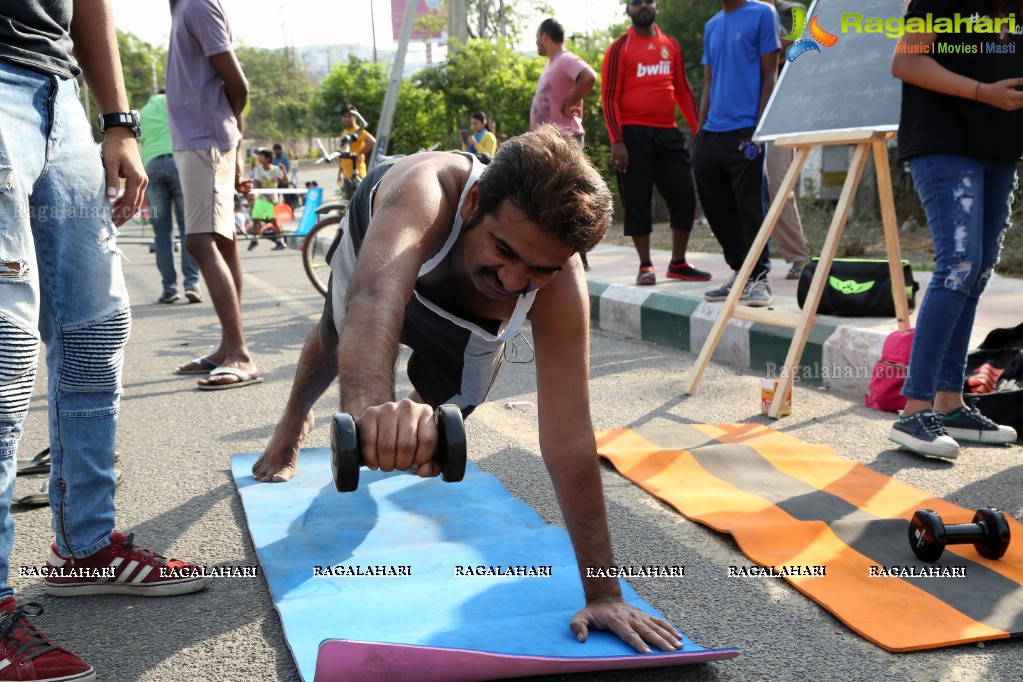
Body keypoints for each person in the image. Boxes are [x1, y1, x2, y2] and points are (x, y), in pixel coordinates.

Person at [250, 125, 683, 654]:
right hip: (379, 249)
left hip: (464, 314)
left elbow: (569, 434)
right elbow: (376, 298)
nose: (510, 279)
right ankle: (295, 419)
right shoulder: (426, 190)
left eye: (537, 270)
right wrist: (368, 413)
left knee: (449, 415)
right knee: (338, 332)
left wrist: (604, 592)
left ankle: (404, 422)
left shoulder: (560, 282)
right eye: (503, 250)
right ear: (475, 202)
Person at [0, 2, 214, 679]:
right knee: (6, 349)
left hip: (58, 92)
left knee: (96, 333)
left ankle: (87, 545)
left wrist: (117, 118)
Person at [887, 0, 1021, 459]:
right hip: (946, 142)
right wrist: (985, 92)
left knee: (977, 271)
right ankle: (914, 408)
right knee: (958, 266)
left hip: (1000, 148)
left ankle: (949, 402)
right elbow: (906, 60)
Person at [168, 0, 263, 390]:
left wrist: (227, 134)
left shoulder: (197, 4)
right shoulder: (181, 7)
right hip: (200, 139)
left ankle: (240, 353)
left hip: (205, 139)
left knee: (199, 240)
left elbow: (237, 85)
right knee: (223, 241)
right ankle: (228, 347)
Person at [601, 0, 710, 286]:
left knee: (684, 195)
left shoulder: (670, 44)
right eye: (636, 3)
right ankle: (645, 265)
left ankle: (678, 263)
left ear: (656, 6)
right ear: (628, 10)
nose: (642, 7)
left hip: (668, 132)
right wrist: (617, 141)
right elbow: (609, 96)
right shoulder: (619, 47)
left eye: (647, 1)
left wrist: (700, 130)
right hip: (633, 135)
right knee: (638, 201)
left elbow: (683, 89)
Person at [694, 0, 780, 308]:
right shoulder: (712, 25)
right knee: (716, 207)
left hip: (746, 130)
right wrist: (700, 132)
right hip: (712, 132)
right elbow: (709, 81)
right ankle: (741, 271)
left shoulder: (762, 14)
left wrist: (758, 130)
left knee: (750, 208)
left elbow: (770, 75)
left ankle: (759, 278)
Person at [531, 17, 597, 269]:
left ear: (545, 35)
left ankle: (580, 258)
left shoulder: (565, 59)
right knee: (551, 199)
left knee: (570, 197)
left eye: (537, 37)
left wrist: (570, 102)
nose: (536, 42)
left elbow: (588, 77)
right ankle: (562, 254)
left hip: (566, 139)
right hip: (550, 143)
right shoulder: (551, 64)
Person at [139, 88, 203, 303]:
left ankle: (169, 289)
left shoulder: (144, 111)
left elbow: (140, 140)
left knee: (162, 234)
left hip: (152, 168)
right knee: (188, 228)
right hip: (179, 163)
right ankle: (192, 284)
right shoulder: (177, 103)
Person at [762, 0, 810, 281]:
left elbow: (794, 48)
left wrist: (767, 17)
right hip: (749, 110)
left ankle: (799, 257)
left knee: (778, 185)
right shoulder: (743, 13)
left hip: (784, 109)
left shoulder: (795, 12)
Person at [247, 148, 289, 251]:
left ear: (267, 158)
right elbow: (258, 184)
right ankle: (254, 239)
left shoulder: (275, 169)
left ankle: (280, 241)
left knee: (273, 220)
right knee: (256, 219)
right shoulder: (258, 169)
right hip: (262, 198)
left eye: (261, 156)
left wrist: (283, 170)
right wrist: (266, 196)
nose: (259, 158)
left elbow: (286, 181)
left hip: (272, 199)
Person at [338, 104, 375, 200]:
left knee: (362, 201)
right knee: (350, 204)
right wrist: (340, 173)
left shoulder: (358, 131)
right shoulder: (344, 133)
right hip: (347, 175)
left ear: (355, 117)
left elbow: (371, 141)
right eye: (344, 117)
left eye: (349, 116)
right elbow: (343, 154)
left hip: (357, 173)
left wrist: (359, 153)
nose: (346, 119)